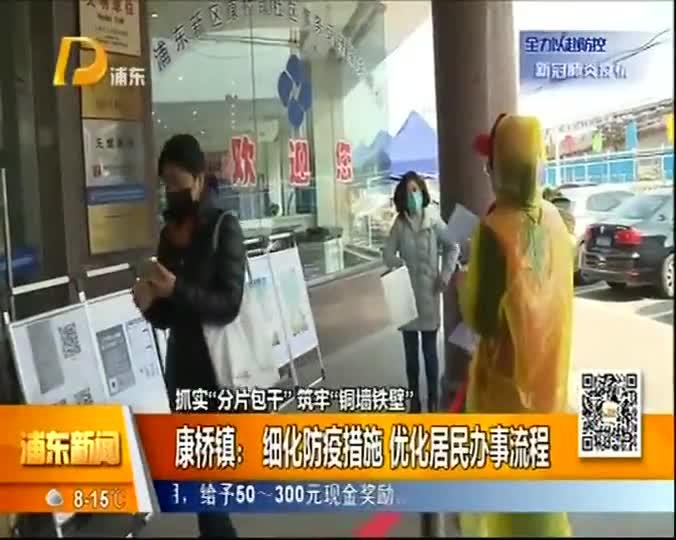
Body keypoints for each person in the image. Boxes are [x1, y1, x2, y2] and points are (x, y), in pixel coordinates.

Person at [458, 114, 574, 537]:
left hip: (505, 394)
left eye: (491, 164)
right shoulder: (555, 220)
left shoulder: (494, 231)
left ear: (502, 167)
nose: (488, 172)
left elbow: (481, 319)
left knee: (506, 508)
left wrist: (464, 283)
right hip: (550, 383)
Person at [132, 134, 244, 538]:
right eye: (166, 184)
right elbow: (169, 318)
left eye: (178, 183)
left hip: (217, 375)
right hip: (183, 373)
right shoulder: (169, 235)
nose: (172, 192)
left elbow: (229, 303)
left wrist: (177, 289)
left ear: (198, 180)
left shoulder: (224, 228)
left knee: (209, 488)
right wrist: (149, 304)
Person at [383, 171, 460, 413]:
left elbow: (453, 246)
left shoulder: (433, 220)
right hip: (406, 297)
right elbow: (387, 254)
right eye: (408, 192)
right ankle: (414, 401)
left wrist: (445, 275)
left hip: (429, 294)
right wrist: (400, 266)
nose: (412, 195)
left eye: (415, 190)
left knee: (429, 353)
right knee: (411, 356)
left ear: (422, 192)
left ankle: (433, 402)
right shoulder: (399, 224)